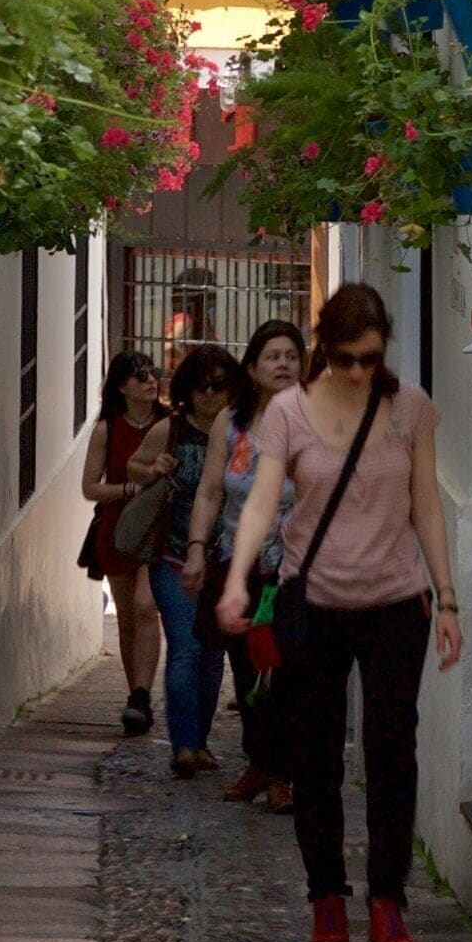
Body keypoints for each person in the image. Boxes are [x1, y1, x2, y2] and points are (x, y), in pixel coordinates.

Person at [218, 283, 461, 942]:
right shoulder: (289, 413)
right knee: (316, 754)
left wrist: (447, 597)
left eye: (370, 358)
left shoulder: (408, 408)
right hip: (315, 602)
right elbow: (262, 503)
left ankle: (388, 901)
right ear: (324, 348)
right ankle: (327, 897)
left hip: (395, 604)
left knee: (392, 750)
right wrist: (236, 580)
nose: (357, 372)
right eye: (346, 358)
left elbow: (426, 505)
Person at [197, 317, 305, 807]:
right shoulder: (231, 422)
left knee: (285, 668)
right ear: (253, 367)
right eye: (273, 356)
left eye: (292, 356)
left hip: (293, 567)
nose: (283, 364)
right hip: (237, 564)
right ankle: (259, 763)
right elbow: (210, 491)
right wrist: (196, 549)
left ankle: (282, 773)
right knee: (246, 669)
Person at [143, 343, 249, 777]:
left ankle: (200, 741)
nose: (209, 394)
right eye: (201, 386)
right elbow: (133, 467)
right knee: (186, 647)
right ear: (188, 388)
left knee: (212, 654)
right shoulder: (169, 430)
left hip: (224, 560)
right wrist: (153, 469)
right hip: (172, 555)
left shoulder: (242, 432)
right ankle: (184, 745)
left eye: (218, 386)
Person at [79, 350, 166, 737]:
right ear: (121, 387)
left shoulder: (168, 424)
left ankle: (142, 695)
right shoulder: (107, 430)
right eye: (139, 376)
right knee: (129, 618)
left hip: (159, 531)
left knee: (147, 607)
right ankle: (137, 697)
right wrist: (128, 489)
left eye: (152, 373)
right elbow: (90, 487)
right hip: (118, 532)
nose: (150, 380)